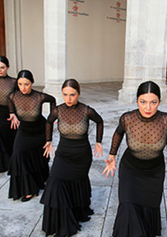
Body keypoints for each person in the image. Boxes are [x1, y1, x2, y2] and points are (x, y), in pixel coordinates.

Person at [102, 81, 167, 237]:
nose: (148, 108)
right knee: (128, 205)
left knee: (149, 204)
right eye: (143, 102)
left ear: (159, 102)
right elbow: (118, 133)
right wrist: (112, 155)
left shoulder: (165, 120)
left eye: (153, 102)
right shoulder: (128, 118)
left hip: (154, 171)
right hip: (131, 169)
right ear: (137, 101)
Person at [40, 79, 104, 237]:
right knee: (55, 182)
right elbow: (48, 122)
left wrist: (98, 142)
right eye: (65, 95)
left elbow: (100, 121)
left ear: (78, 94)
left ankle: (76, 212)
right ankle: (58, 222)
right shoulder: (58, 110)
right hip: (63, 154)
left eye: (72, 95)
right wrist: (48, 140)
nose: (68, 98)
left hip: (82, 156)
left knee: (76, 182)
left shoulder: (86, 110)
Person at [7, 70, 56, 202]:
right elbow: (9, 101)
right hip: (24, 131)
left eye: (26, 84)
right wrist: (12, 113)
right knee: (18, 154)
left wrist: (52, 117)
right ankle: (28, 188)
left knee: (39, 155)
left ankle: (37, 184)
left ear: (32, 83)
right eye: (20, 84)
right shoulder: (13, 96)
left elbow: (53, 100)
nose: (23, 87)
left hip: (40, 130)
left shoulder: (39, 96)